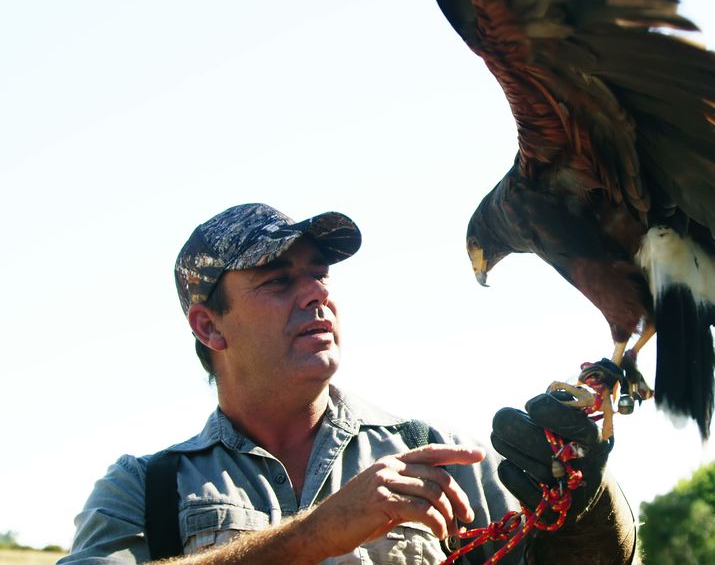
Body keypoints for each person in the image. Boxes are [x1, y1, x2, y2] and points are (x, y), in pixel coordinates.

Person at [61, 203, 637, 564]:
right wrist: (315, 536)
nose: (316, 292)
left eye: (318, 273)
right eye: (277, 280)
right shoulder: (146, 490)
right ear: (209, 326)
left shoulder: (438, 460)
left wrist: (587, 511)